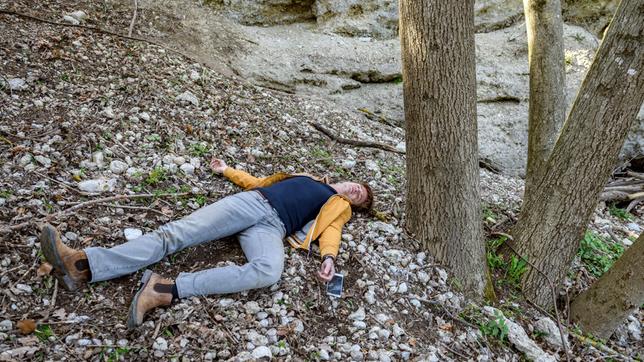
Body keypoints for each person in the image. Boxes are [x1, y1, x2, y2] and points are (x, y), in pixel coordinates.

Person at [40, 157, 374, 329]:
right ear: (347, 179)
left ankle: (164, 290)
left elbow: (332, 233)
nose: (357, 193)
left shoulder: (339, 206)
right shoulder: (309, 178)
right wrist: (227, 170)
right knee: (177, 234)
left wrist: (328, 257)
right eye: (359, 187)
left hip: (271, 228)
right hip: (253, 202)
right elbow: (258, 182)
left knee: (269, 271)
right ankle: (85, 264)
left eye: (361, 199)